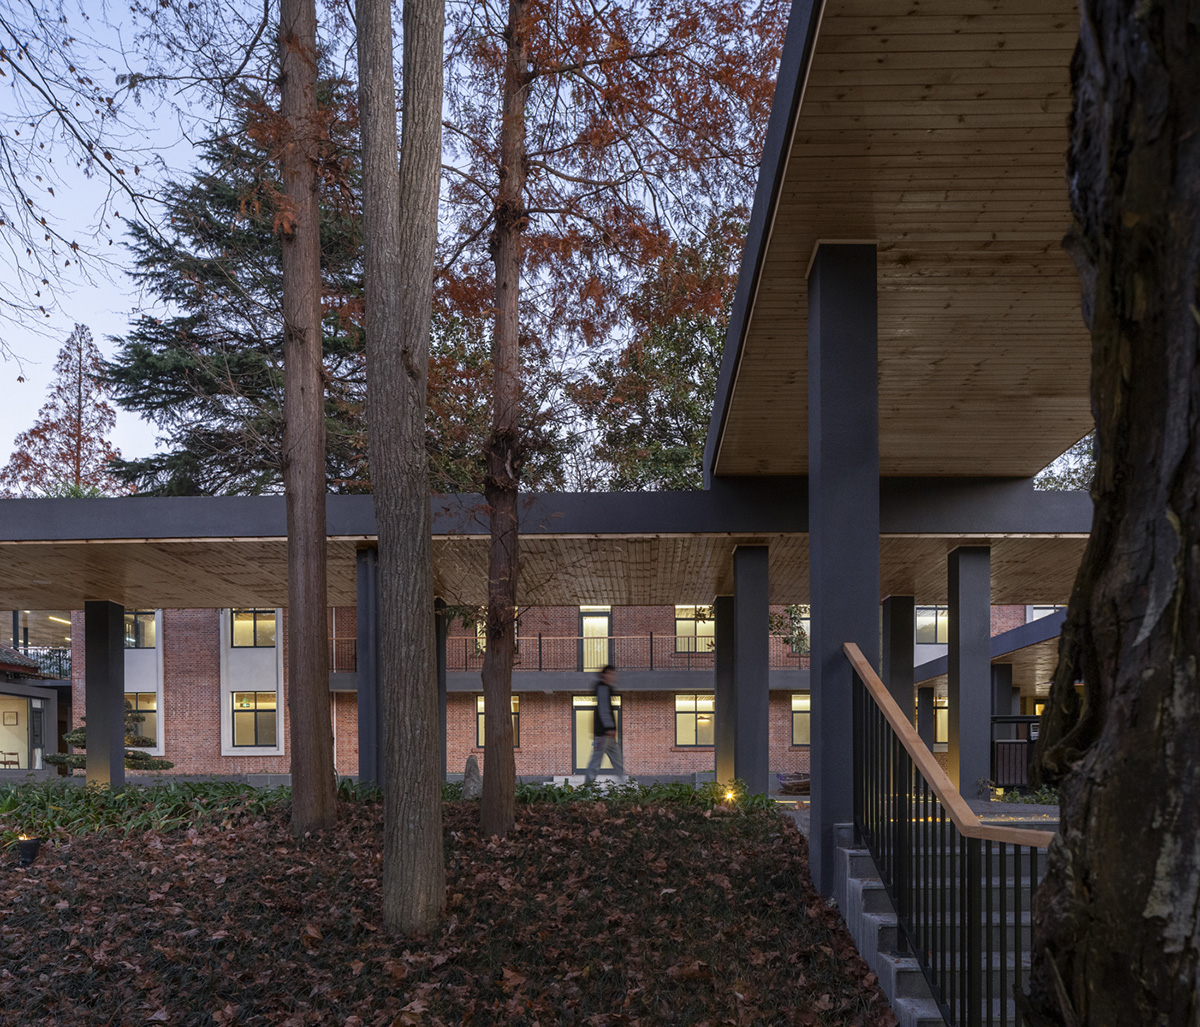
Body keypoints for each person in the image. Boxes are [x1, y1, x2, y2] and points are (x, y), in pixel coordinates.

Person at [583, 664, 626, 785]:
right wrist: (609, 727)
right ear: (604, 675)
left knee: (618, 760)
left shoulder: (606, 688)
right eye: (611, 674)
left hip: (609, 736)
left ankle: (624, 784)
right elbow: (604, 709)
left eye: (614, 674)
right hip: (603, 734)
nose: (613, 677)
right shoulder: (602, 688)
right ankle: (588, 787)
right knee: (596, 761)